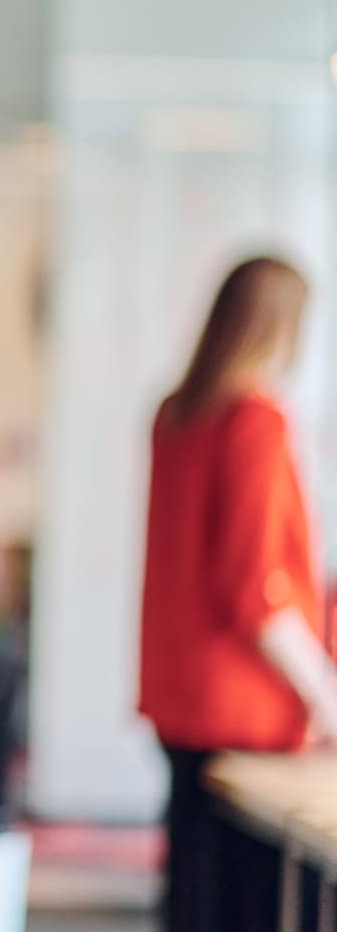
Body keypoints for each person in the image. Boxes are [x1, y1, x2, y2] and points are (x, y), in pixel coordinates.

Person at [139, 254, 337, 932]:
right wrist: (326, 697)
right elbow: (259, 592)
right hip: (243, 710)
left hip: (180, 698)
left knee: (195, 893)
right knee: (249, 903)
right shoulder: (255, 422)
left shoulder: (176, 416)